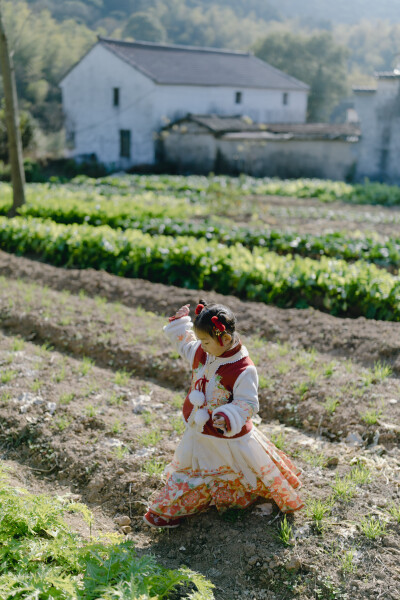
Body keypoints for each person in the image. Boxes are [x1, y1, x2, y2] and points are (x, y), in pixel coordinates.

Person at [143, 300, 303, 529]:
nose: (201, 346)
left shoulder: (243, 370)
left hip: (227, 436)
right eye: (200, 341)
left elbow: (248, 403)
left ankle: (172, 509)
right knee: (204, 471)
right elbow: (186, 346)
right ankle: (176, 506)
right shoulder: (204, 351)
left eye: (206, 341)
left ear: (225, 339)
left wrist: (229, 416)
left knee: (218, 471)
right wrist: (180, 326)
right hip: (199, 432)